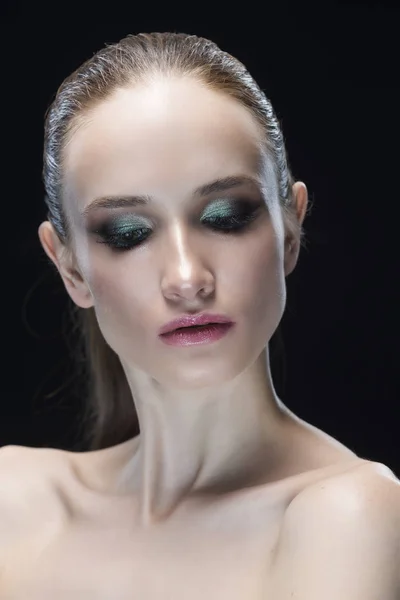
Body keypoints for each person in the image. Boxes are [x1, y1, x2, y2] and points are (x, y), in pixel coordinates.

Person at [2, 32, 399, 598]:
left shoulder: (346, 516)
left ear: (290, 230)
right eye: (128, 233)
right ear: (69, 269)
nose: (186, 277)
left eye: (226, 215)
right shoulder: (13, 505)